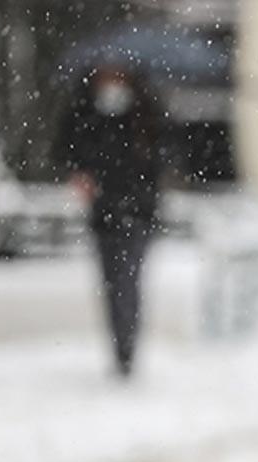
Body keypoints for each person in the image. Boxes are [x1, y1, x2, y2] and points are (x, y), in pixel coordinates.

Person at [56, 63, 166, 378]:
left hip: (138, 213)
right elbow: (68, 151)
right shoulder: (86, 112)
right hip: (104, 214)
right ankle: (121, 345)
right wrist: (80, 175)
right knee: (112, 281)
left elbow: (162, 158)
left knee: (127, 280)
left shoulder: (146, 112)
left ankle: (127, 347)